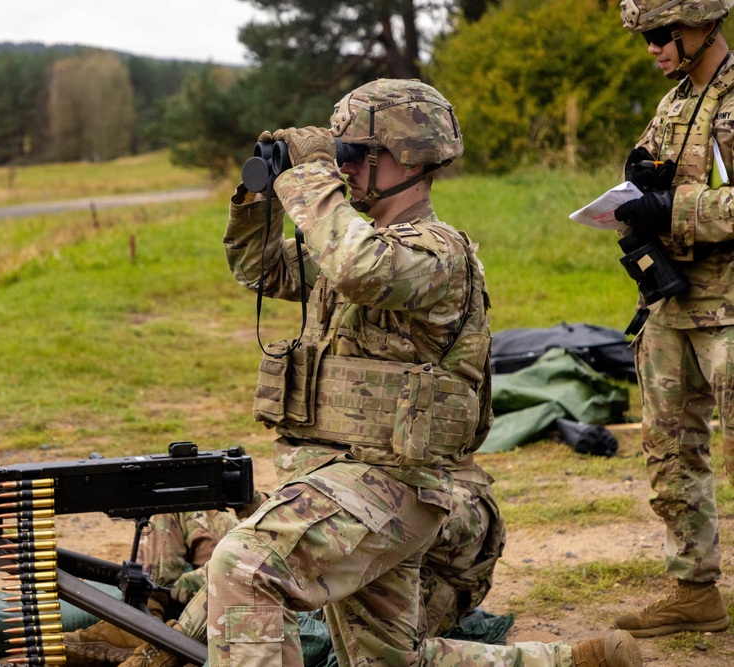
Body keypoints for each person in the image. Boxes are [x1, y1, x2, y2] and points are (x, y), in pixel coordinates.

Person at [202, 78, 641, 667]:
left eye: (357, 155)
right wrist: (261, 191)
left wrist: (309, 177)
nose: (346, 168)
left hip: (392, 486)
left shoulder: (438, 254)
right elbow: (258, 268)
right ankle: (572, 661)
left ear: (406, 158)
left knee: (244, 566)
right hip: (346, 482)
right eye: (342, 155)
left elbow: (359, 268)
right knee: (383, 661)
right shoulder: (352, 244)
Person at [62, 460, 505, 666]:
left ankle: (151, 647)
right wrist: (249, 504)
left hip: (350, 603)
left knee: (245, 571)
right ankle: (147, 615)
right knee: (175, 491)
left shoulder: (450, 504)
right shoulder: (378, 476)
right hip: (311, 573)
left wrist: (201, 579)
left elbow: (332, 547)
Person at [611, 0, 734, 638]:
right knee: (670, 451)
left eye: (662, 35)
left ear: (704, 25)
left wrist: (675, 207)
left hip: (730, 307)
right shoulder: (675, 104)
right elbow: (653, 182)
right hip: (672, 302)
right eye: (647, 38)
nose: (654, 49)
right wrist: (636, 195)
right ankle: (693, 591)